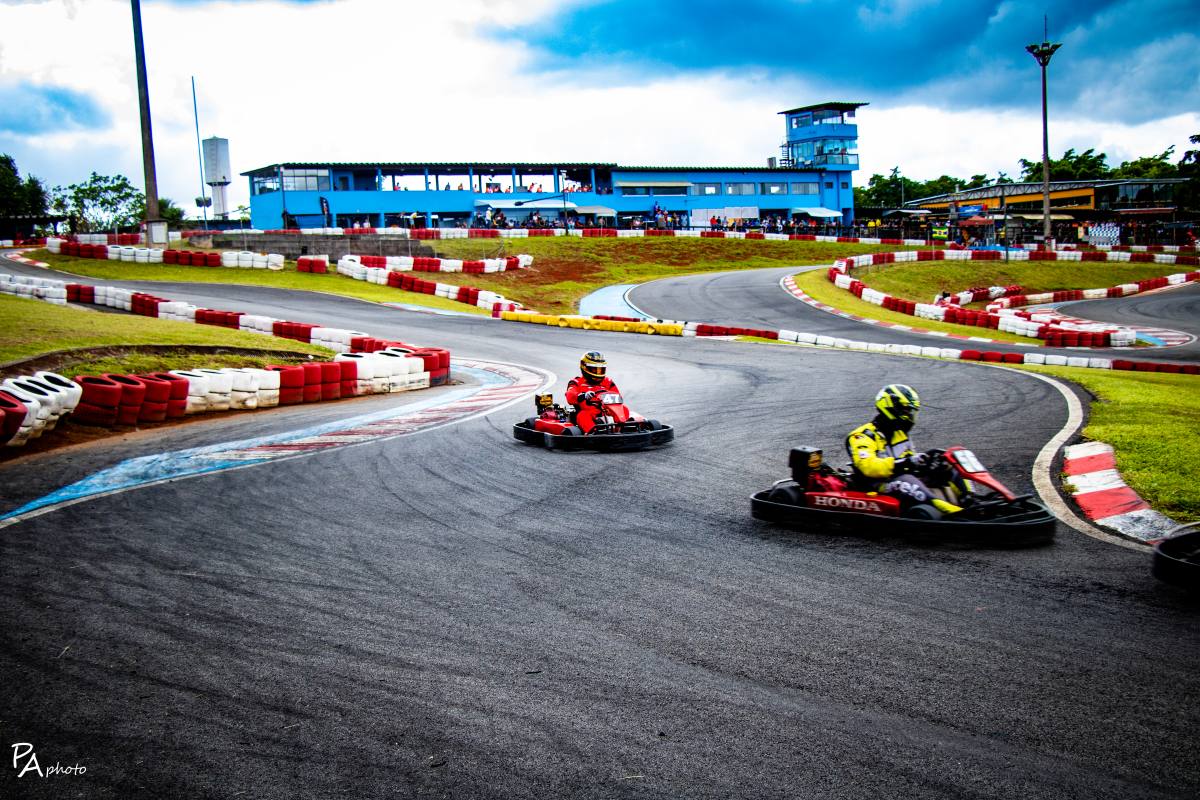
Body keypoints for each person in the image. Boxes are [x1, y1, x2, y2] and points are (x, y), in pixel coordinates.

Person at [845, 384, 960, 514]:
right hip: (877, 485)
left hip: (902, 477)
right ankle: (952, 512)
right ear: (889, 407)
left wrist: (927, 463)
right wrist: (906, 463)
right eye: (905, 410)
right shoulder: (862, 436)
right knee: (906, 481)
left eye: (911, 412)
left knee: (950, 465)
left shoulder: (899, 433)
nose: (909, 415)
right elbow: (869, 467)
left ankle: (970, 499)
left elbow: (910, 458)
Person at [566, 351, 620, 433]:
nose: (598, 373)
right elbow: (570, 396)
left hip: (607, 412)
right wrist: (583, 395)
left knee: (624, 409)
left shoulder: (607, 382)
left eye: (601, 369)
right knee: (582, 415)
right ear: (585, 367)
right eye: (595, 369)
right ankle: (593, 432)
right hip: (588, 413)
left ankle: (624, 428)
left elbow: (617, 396)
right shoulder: (576, 382)